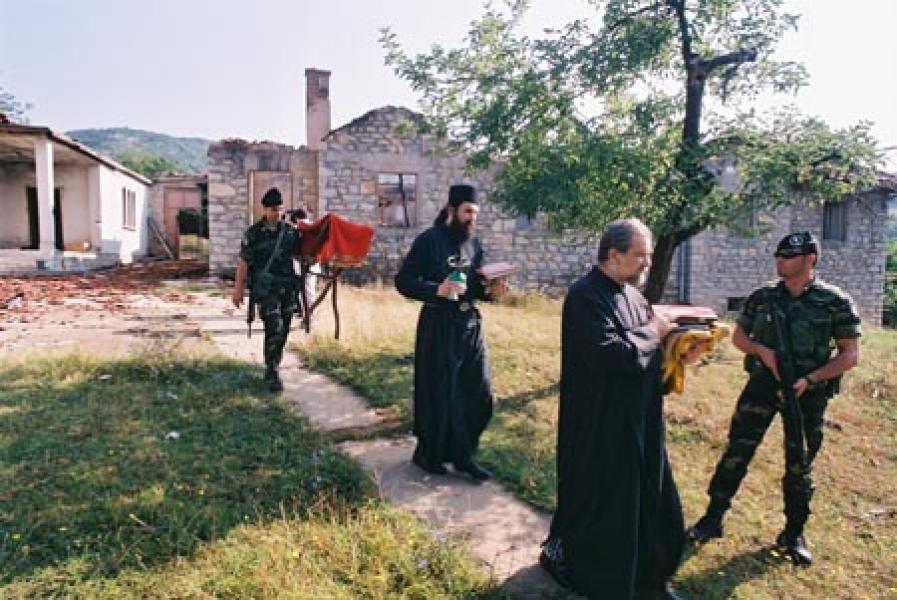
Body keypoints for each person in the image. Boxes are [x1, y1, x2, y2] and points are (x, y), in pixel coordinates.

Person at [686, 231, 861, 566]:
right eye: (778, 256)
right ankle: (712, 518)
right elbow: (739, 335)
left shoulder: (834, 301)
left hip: (807, 395)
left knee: (800, 464)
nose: (780, 261)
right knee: (737, 451)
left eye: (788, 256)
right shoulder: (763, 297)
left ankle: (793, 533)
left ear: (810, 259)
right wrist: (760, 351)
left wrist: (810, 380)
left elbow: (849, 354)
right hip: (762, 387)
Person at [540, 218, 686, 600]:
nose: (646, 264)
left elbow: (649, 356)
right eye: (640, 255)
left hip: (640, 419)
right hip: (598, 423)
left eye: (649, 256)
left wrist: (680, 351)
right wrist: (655, 333)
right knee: (600, 505)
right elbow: (611, 356)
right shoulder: (585, 296)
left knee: (650, 501)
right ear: (613, 254)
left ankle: (648, 577)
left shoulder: (634, 297)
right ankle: (590, 574)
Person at [395, 184, 509, 481]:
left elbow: (476, 286)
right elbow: (404, 281)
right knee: (440, 394)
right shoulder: (430, 241)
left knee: (478, 393)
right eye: (467, 211)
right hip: (438, 325)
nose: (472, 217)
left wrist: (492, 292)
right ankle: (429, 453)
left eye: (476, 212)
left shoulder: (475, 244)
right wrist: (437, 289)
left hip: (470, 326)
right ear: (452, 211)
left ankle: (464, 454)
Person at [232, 188, 303, 392]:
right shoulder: (254, 233)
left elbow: (301, 255)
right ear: (264, 209)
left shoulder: (290, 232)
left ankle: (274, 363)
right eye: (273, 209)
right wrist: (238, 289)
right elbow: (244, 263)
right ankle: (272, 371)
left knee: (284, 329)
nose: (277, 213)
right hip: (265, 291)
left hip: (288, 289)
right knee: (274, 325)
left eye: (280, 209)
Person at [286, 207, 319, 326]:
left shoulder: (299, 228)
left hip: (304, 265)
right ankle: (309, 317)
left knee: (306, 293)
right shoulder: (313, 227)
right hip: (312, 264)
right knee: (308, 292)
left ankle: (310, 319)